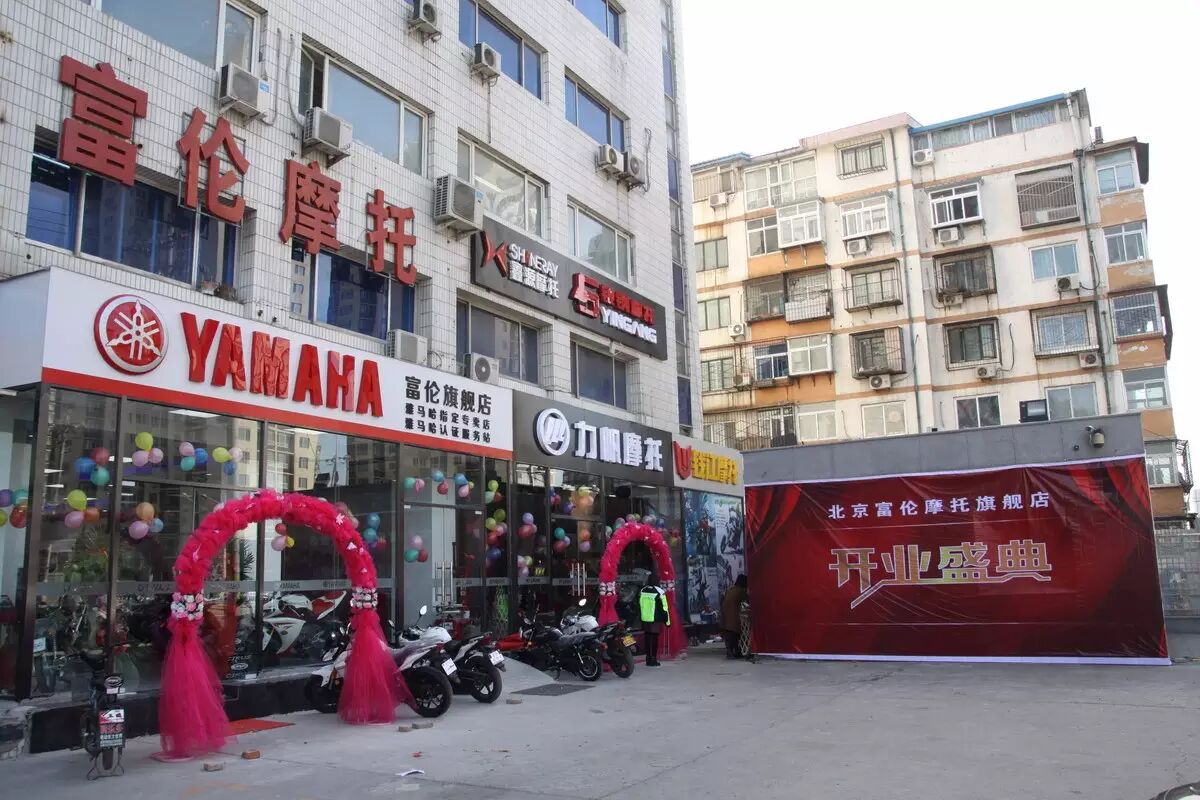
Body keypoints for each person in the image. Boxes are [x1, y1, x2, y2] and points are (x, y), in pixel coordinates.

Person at [639, 573, 671, 667]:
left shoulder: (643, 590)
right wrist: (667, 622)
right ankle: (653, 659)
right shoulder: (659, 591)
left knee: (647, 638)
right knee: (654, 639)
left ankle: (648, 658)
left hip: (645, 619)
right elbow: (664, 608)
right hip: (655, 619)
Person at [720, 574, 748, 659]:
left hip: (725, 613)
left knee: (730, 632)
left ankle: (734, 651)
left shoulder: (732, 589)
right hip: (732, 614)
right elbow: (747, 599)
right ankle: (731, 652)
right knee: (734, 632)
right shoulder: (740, 590)